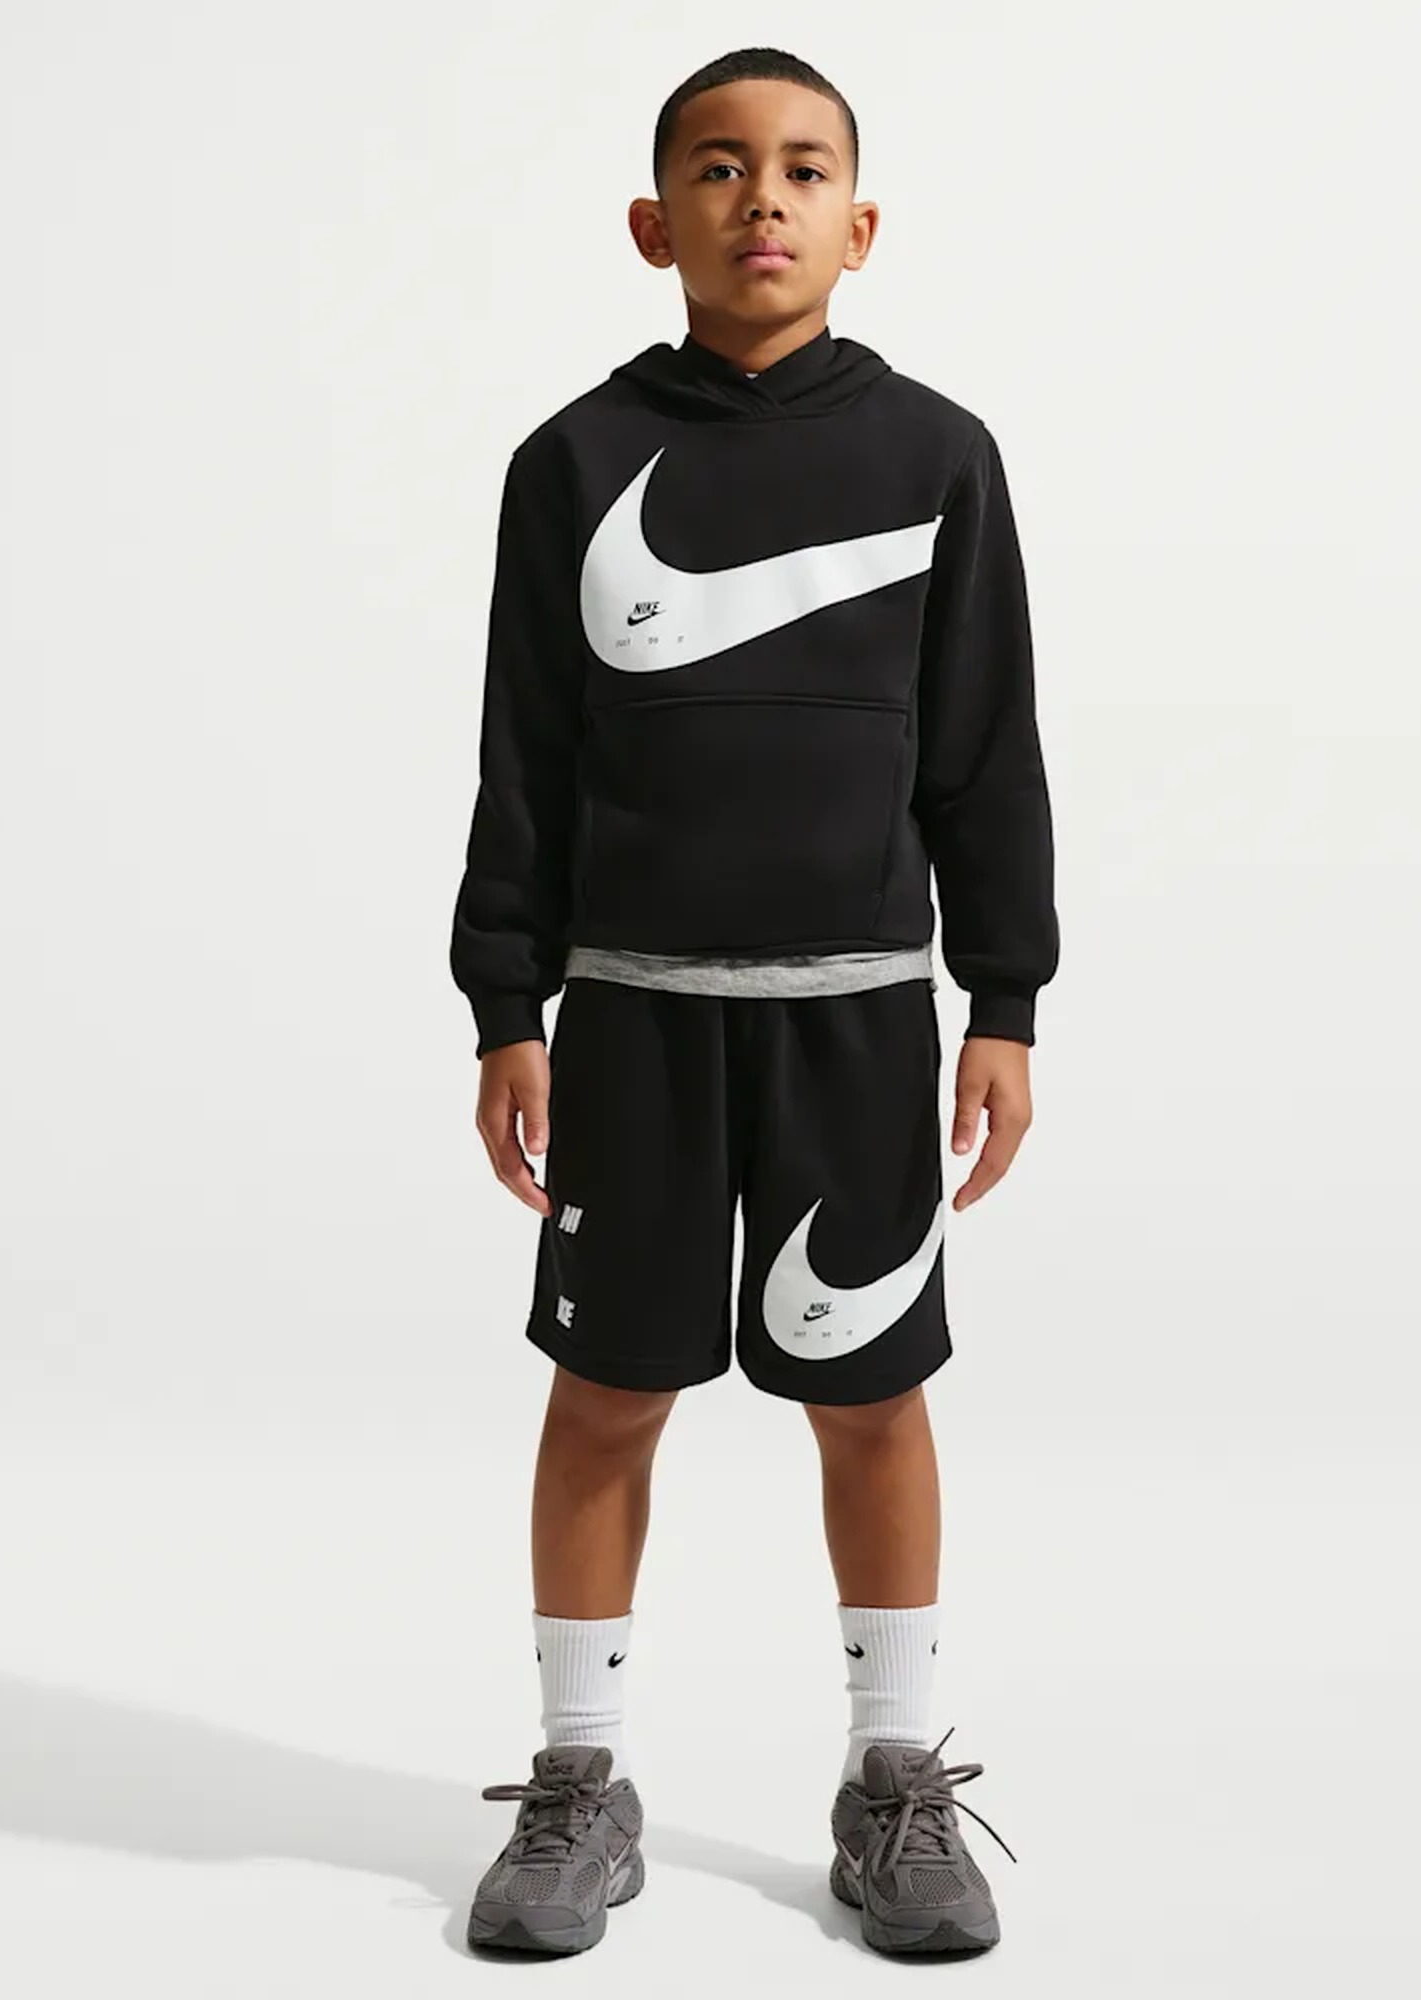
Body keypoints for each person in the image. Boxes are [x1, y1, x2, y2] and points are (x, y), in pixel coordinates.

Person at [448, 45, 1058, 1958]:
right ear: (657, 224)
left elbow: (985, 750)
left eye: (802, 169)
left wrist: (1007, 997)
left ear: (860, 225)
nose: (762, 199)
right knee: (607, 1393)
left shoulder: (939, 457)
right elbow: (525, 761)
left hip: (858, 1019)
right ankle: (580, 1778)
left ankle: (895, 1780)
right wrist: (507, 1007)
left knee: (870, 1399)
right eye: (719, 169)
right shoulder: (571, 464)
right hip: (631, 1021)